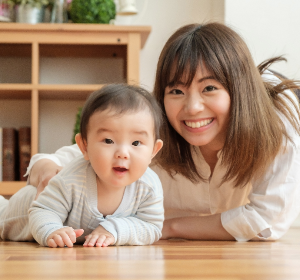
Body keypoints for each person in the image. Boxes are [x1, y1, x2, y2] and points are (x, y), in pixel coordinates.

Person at [26, 22, 300, 242]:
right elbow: (96, 151)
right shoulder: (157, 125)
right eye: (177, 91)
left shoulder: (276, 118)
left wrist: (167, 227)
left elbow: (267, 220)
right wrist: (47, 165)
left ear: (238, 89)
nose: (192, 108)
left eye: (209, 88)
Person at [0, 84, 164, 247]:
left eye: (136, 142)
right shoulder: (72, 179)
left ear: (153, 151)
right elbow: (43, 210)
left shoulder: (149, 186)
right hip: (22, 212)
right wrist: (52, 230)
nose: (123, 153)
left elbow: (152, 226)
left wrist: (114, 230)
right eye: (108, 140)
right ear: (84, 146)